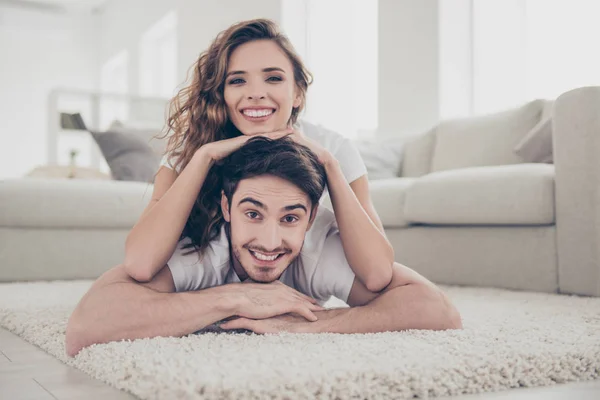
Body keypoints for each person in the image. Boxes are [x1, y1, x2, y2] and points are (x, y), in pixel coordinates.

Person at [65, 137, 462, 357]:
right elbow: (88, 324)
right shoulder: (203, 242)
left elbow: (436, 308)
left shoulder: (319, 246)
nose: (270, 243)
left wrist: (316, 323)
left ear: (310, 219)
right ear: (226, 208)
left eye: (290, 218)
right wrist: (236, 297)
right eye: (253, 214)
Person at [122, 18, 395, 294]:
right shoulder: (190, 151)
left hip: (302, 285)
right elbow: (140, 264)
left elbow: (378, 273)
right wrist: (204, 157)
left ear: (298, 92)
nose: (255, 94)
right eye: (238, 80)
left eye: (273, 78)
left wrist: (329, 165)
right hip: (214, 289)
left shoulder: (333, 149)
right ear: (222, 94)